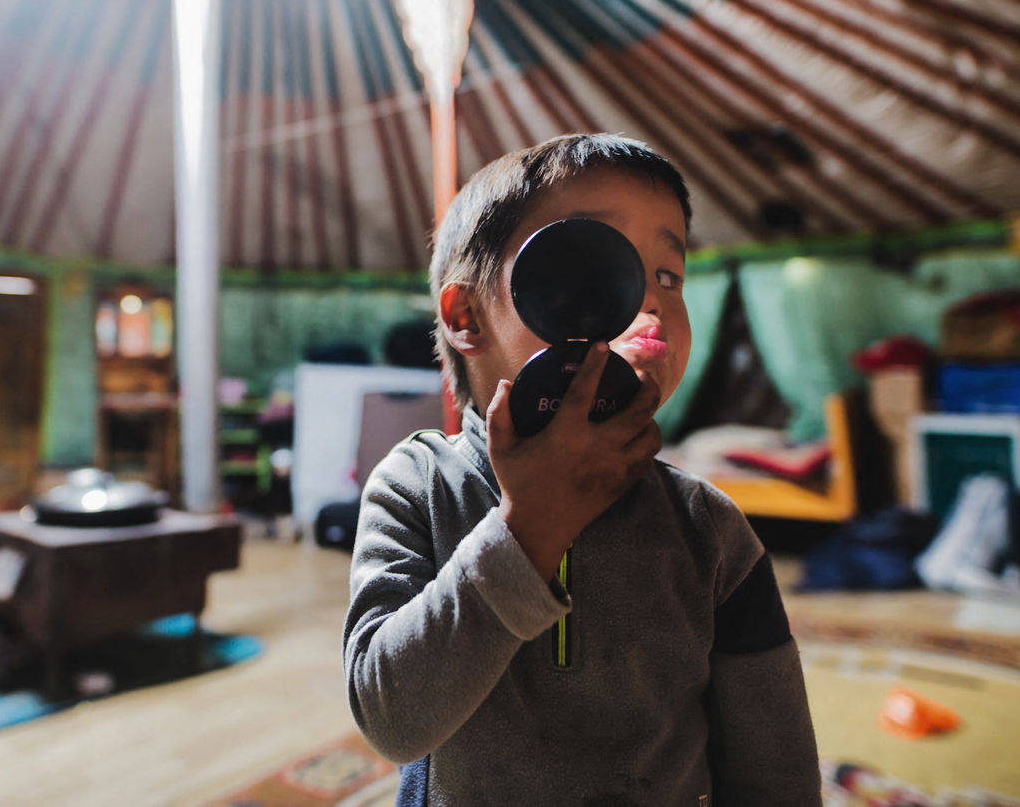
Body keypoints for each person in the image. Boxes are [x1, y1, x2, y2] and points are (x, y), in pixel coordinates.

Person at [343, 133, 820, 806]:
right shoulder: (418, 486)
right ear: (466, 315)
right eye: (595, 264)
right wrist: (530, 528)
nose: (647, 299)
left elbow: (777, 771)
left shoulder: (710, 531)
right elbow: (392, 721)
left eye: (668, 275)